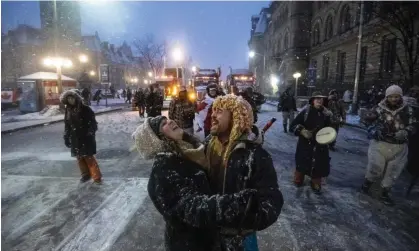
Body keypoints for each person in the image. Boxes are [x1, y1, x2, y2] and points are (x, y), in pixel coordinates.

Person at [132, 116, 259, 251]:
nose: (170, 121)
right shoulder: (164, 170)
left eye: (168, 119)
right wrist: (235, 203)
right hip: (191, 244)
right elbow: (192, 207)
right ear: (157, 139)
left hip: (208, 239)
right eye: (164, 124)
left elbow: (210, 145)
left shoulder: (186, 153)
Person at [205, 94, 284, 250]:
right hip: (208, 234)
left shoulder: (255, 155)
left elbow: (271, 202)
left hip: (240, 240)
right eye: (213, 110)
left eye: (219, 111)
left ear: (236, 116)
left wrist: (242, 220)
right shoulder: (207, 145)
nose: (213, 115)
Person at [361, 85, 416, 205]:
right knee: (375, 167)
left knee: (393, 171)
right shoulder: (379, 109)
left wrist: (406, 131)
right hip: (380, 144)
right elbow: (366, 120)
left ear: (400, 97)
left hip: (399, 146)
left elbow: (415, 124)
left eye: (396, 96)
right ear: (387, 97)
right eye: (391, 96)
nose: (394, 99)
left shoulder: (408, 110)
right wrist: (374, 130)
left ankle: (385, 192)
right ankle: (367, 183)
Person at [290, 91, 332, 193]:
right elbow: (292, 126)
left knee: (318, 164)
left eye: (321, 99)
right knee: (302, 162)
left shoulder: (326, 114)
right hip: (305, 144)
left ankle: (315, 182)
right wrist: (301, 131)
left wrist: (328, 137)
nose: (319, 101)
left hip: (320, 145)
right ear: (312, 100)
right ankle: (298, 179)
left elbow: (330, 130)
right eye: (317, 98)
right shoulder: (305, 112)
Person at [60, 90, 102, 184]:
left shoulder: (86, 109)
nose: (71, 100)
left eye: (72, 98)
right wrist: (66, 137)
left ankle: (96, 176)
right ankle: (85, 175)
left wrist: (90, 132)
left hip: (86, 137)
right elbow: (67, 125)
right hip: (75, 137)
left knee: (88, 157)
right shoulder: (68, 110)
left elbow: (93, 123)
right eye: (68, 99)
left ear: (77, 98)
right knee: (79, 157)